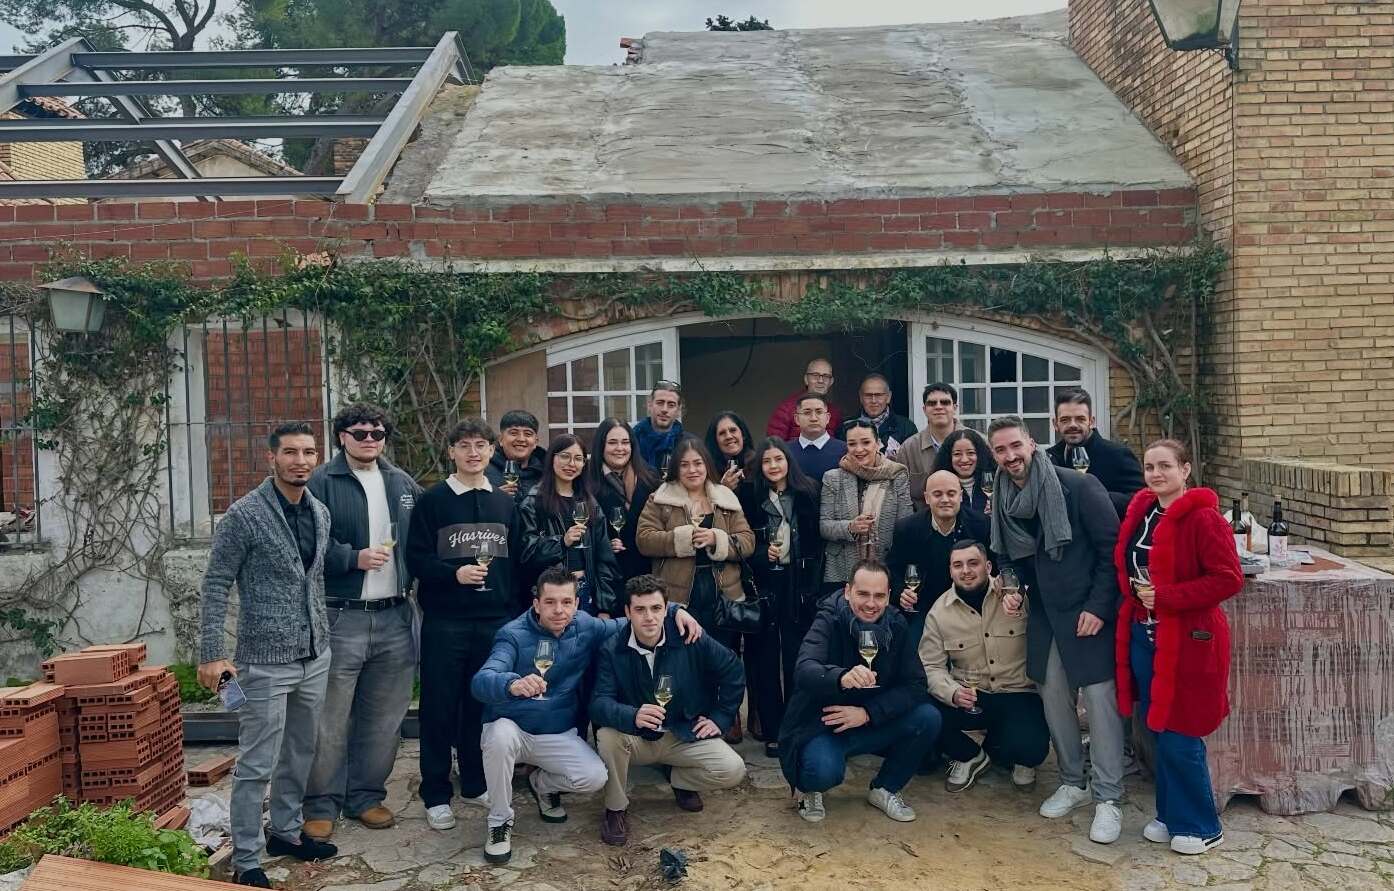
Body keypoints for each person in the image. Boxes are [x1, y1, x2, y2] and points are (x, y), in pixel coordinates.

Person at [471, 567, 703, 863]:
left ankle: (541, 784)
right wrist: (511, 684)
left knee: (594, 778)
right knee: (499, 735)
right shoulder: (512, 635)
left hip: (556, 731)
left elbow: (632, 618)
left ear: (577, 604)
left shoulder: (585, 625)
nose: (559, 610)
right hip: (513, 729)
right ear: (537, 604)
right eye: (550, 602)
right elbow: (482, 680)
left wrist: (675, 610)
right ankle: (499, 822)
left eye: (566, 602)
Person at [197, 423, 335, 888]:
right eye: (290, 452)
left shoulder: (319, 511)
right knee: (257, 762)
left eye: (309, 452)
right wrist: (212, 653)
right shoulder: (244, 515)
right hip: (264, 660)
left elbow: (313, 579)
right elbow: (216, 584)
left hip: (315, 655)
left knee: (301, 750)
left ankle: (286, 833)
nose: (301, 461)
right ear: (271, 458)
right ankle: (247, 859)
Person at [986, 415, 1126, 845]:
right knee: (1052, 695)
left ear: (1032, 443)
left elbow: (1112, 551)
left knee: (1099, 701)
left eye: (1015, 446)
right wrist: (1012, 587)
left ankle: (1108, 797)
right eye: (1000, 450)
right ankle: (1072, 781)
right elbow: (1006, 556)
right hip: (1046, 614)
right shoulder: (1004, 497)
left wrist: (1098, 608)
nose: (1010, 456)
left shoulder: (1079, 487)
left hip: (1088, 612)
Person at [1115, 440, 1241, 856]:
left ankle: (1201, 824)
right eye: (1150, 466)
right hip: (1146, 635)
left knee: (1181, 732)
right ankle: (1170, 814)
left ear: (1185, 469)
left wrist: (1167, 597)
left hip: (1190, 640)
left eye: (1165, 466)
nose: (1156, 474)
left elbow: (1228, 579)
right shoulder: (1144, 512)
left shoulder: (1205, 519)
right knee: (1157, 728)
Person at [303, 404, 421, 841]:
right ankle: (320, 804)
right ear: (342, 437)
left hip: (395, 616)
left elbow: (425, 537)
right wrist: (352, 558)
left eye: (378, 433)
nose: (370, 439)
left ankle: (366, 797)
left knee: (384, 719)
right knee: (329, 719)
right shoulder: (320, 482)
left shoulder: (402, 483)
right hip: (341, 615)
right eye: (360, 433)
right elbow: (305, 542)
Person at [406, 418, 525, 834]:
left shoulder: (505, 504)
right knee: (439, 707)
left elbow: (518, 563)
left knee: (481, 706)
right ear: (451, 452)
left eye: (480, 445)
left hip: (494, 622)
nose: (473, 453)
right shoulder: (433, 501)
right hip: (446, 622)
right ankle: (436, 793)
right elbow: (416, 558)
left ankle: (474, 782)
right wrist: (452, 575)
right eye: (464, 445)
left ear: (492, 451)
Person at [777, 559, 940, 824]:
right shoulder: (828, 618)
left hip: (871, 721)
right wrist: (841, 677)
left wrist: (867, 713)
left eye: (879, 596)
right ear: (847, 591)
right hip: (826, 725)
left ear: (889, 596)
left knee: (928, 717)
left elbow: (916, 684)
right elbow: (805, 669)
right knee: (823, 772)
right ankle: (809, 790)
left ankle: (885, 788)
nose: (871, 603)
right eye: (863, 594)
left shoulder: (896, 624)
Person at [591, 575, 748, 846]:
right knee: (606, 736)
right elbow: (599, 703)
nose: (649, 617)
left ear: (666, 610)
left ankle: (680, 782)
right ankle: (615, 808)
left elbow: (732, 669)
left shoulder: (691, 636)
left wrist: (720, 717)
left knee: (732, 769)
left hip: (682, 732)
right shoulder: (611, 648)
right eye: (640, 609)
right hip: (637, 737)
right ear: (627, 612)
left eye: (656, 608)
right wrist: (632, 715)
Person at [919, 540, 1049, 794]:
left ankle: (1007, 750)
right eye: (958, 565)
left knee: (1029, 750)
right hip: (971, 695)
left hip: (1017, 693)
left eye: (973, 563)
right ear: (950, 571)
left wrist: (1022, 595)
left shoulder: (1014, 595)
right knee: (922, 712)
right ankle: (971, 756)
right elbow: (930, 666)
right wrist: (952, 693)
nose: (966, 570)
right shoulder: (939, 613)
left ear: (988, 566)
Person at [738, 436, 824, 759]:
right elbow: (742, 541)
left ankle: (795, 726)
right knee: (765, 659)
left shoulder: (808, 492)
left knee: (796, 656)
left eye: (778, 459)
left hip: (798, 584)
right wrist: (763, 553)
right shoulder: (750, 496)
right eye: (767, 461)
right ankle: (773, 730)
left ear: (789, 461)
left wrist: (812, 586)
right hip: (764, 584)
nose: (773, 466)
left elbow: (818, 542)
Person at [635, 435, 756, 650]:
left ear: (707, 465)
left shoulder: (725, 497)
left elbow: (748, 542)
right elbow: (644, 539)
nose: (692, 470)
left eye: (698, 463)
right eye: (684, 465)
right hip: (678, 598)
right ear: (676, 468)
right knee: (683, 659)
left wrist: (717, 539)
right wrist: (681, 539)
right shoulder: (660, 498)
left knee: (723, 658)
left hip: (723, 598)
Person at [518, 434, 623, 617]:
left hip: (585, 592)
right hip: (551, 595)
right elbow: (526, 554)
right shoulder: (533, 502)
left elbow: (605, 558)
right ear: (552, 459)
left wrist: (604, 606)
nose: (571, 464)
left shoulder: (590, 502)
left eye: (578, 458)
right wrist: (561, 543)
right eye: (565, 456)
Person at [886, 470, 990, 637]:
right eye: (937, 494)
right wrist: (901, 593)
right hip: (923, 607)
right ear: (927, 498)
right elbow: (892, 569)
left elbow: (993, 568)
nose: (945, 499)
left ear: (960, 496)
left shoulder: (981, 525)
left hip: (970, 605)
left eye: (951, 493)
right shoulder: (907, 528)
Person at [819, 420, 912, 589]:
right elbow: (824, 526)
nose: (859, 449)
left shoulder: (897, 474)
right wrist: (850, 527)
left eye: (866, 442)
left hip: (885, 567)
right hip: (842, 570)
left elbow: (906, 524)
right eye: (852, 444)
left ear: (878, 444)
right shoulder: (832, 478)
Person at [1045, 388, 1144, 518]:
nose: (1073, 425)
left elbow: (1141, 500)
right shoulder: (1049, 459)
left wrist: (1097, 499)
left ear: (1091, 421)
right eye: (1065, 420)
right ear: (1055, 424)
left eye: (1080, 419)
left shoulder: (1118, 455)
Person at [586, 418, 659, 582]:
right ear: (601, 446)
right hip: (607, 574)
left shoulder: (650, 477)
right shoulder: (587, 481)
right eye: (612, 442)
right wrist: (604, 545)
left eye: (625, 442)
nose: (620, 448)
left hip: (647, 572)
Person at [894, 383, 961, 510]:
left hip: (969, 518)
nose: (938, 407)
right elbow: (900, 496)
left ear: (955, 407)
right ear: (924, 409)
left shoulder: (976, 442)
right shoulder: (908, 448)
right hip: (923, 519)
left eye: (945, 402)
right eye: (932, 403)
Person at [837, 374, 917, 459]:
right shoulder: (846, 426)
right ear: (861, 397)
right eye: (868, 395)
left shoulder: (906, 427)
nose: (873, 401)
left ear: (888, 397)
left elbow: (913, 461)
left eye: (879, 395)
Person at [766, 358, 843, 441]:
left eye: (826, 376)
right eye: (815, 375)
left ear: (831, 382)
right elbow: (774, 444)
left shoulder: (834, 412)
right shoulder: (787, 409)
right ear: (806, 379)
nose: (820, 380)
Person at [485, 410, 547, 500]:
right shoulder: (482, 470)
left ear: (535, 442)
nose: (521, 439)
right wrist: (493, 499)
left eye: (528, 434)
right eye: (514, 433)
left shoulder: (547, 473)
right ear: (501, 439)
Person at [933, 428, 995, 515]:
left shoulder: (995, 482)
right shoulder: (938, 486)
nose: (964, 459)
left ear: (980, 454)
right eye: (957, 454)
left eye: (971, 453)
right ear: (948, 457)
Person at [789, 393, 847, 484]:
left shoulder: (844, 450)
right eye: (807, 413)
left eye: (819, 412)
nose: (813, 418)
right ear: (797, 419)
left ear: (827, 418)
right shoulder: (785, 452)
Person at [632, 381, 684, 471]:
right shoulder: (631, 442)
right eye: (660, 403)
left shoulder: (688, 444)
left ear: (678, 410)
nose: (664, 409)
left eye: (671, 405)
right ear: (649, 405)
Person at [705, 410, 755, 491]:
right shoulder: (707, 471)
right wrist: (724, 489)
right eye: (722, 433)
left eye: (733, 430)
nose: (728, 436)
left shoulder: (759, 464)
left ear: (743, 435)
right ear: (715, 441)